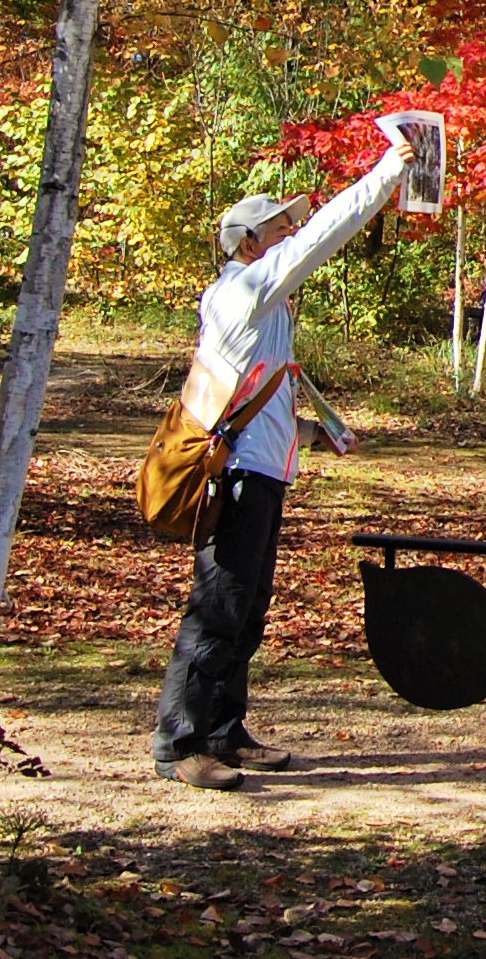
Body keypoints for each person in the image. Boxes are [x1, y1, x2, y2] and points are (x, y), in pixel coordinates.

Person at [151, 135, 412, 790]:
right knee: (218, 608)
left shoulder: (264, 308)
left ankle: (223, 731)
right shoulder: (242, 292)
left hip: (261, 473)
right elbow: (323, 235)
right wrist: (385, 175)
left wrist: (311, 436)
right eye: (278, 227)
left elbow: (251, 400)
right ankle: (180, 741)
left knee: (247, 610)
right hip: (235, 477)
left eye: (290, 224)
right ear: (246, 243)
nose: (291, 231)